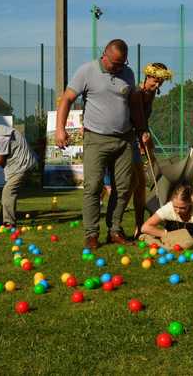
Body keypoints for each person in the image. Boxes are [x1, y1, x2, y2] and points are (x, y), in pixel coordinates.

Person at [55, 39, 147, 250]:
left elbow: (134, 104)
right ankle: (91, 234)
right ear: (104, 55)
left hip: (124, 139)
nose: (118, 67)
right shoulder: (86, 71)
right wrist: (60, 129)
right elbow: (67, 98)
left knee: (124, 187)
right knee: (93, 186)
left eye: (122, 63)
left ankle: (115, 230)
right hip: (95, 139)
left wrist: (142, 130)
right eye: (115, 63)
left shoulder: (128, 73)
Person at [107, 62, 173, 237]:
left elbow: (143, 121)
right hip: (126, 141)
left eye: (161, 82)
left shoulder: (150, 94)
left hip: (138, 140)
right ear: (148, 77)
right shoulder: (137, 94)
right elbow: (135, 120)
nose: (157, 85)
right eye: (155, 81)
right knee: (129, 185)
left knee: (140, 184)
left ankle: (139, 225)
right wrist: (141, 134)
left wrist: (146, 137)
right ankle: (115, 225)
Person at [140, 183, 193, 248]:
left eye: (182, 208)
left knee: (191, 243)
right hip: (171, 237)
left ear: (190, 203)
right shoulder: (168, 208)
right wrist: (166, 234)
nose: (178, 211)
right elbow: (145, 227)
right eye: (175, 207)